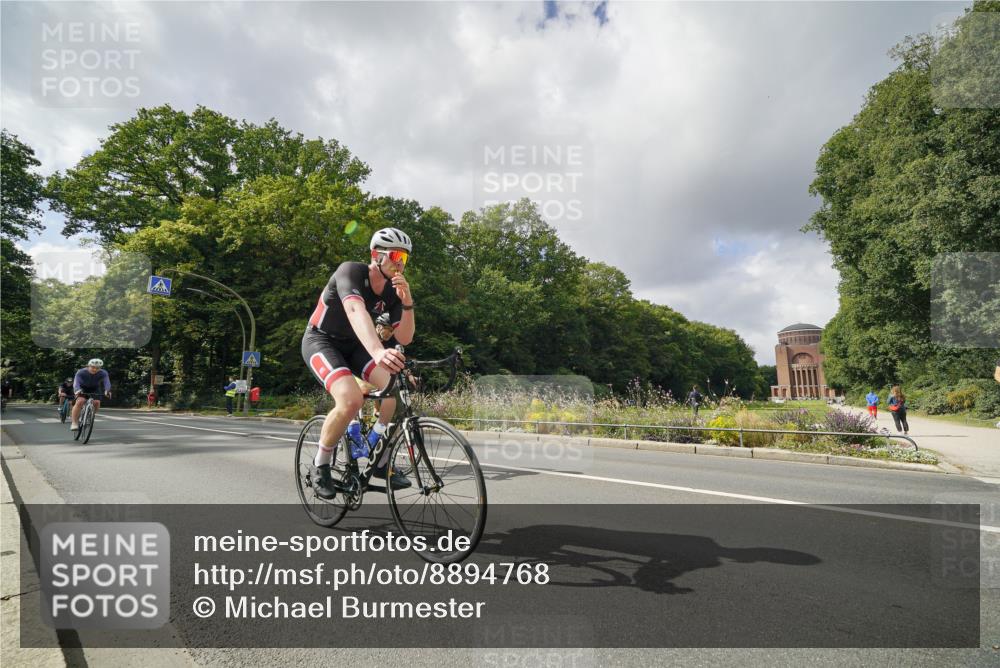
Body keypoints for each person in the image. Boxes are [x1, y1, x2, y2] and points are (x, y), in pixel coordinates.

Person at [301, 227, 415, 499]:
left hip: (355, 347)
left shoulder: (392, 291)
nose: (400, 263)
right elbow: (355, 310)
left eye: (405, 259)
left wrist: (407, 303)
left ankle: (381, 462)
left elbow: (405, 337)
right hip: (322, 340)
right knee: (351, 399)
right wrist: (378, 352)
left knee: (394, 395)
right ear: (376, 255)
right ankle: (321, 464)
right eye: (396, 255)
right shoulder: (350, 271)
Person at [70, 359, 111, 431]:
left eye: (97, 368)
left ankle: (90, 416)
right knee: (80, 401)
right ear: (88, 366)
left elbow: (107, 382)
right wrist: (77, 390)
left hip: (95, 388)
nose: (95, 369)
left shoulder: (103, 373)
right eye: (93, 367)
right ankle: (74, 423)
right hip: (82, 388)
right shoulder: (81, 372)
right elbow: (76, 382)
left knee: (97, 402)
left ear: (100, 368)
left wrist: (107, 390)